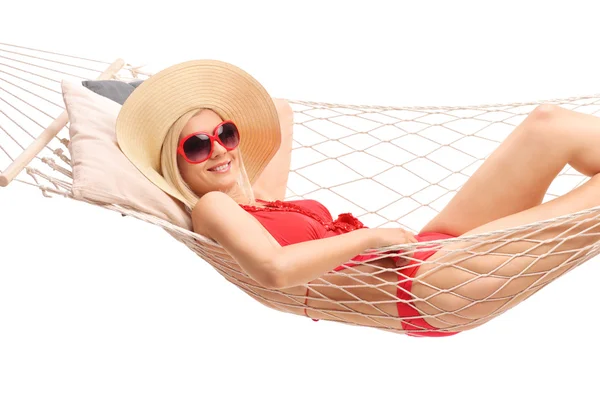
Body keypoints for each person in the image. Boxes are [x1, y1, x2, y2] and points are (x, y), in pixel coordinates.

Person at [115, 60, 600, 337]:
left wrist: (158, 96)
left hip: (432, 249)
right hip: (428, 288)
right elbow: (276, 269)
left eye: (225, 133)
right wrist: (371, 236)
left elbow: (277, 111)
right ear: (171, 162)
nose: (218, 149)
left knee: (548, 125)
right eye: (195, 145)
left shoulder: (260, 201)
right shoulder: (212, 209)